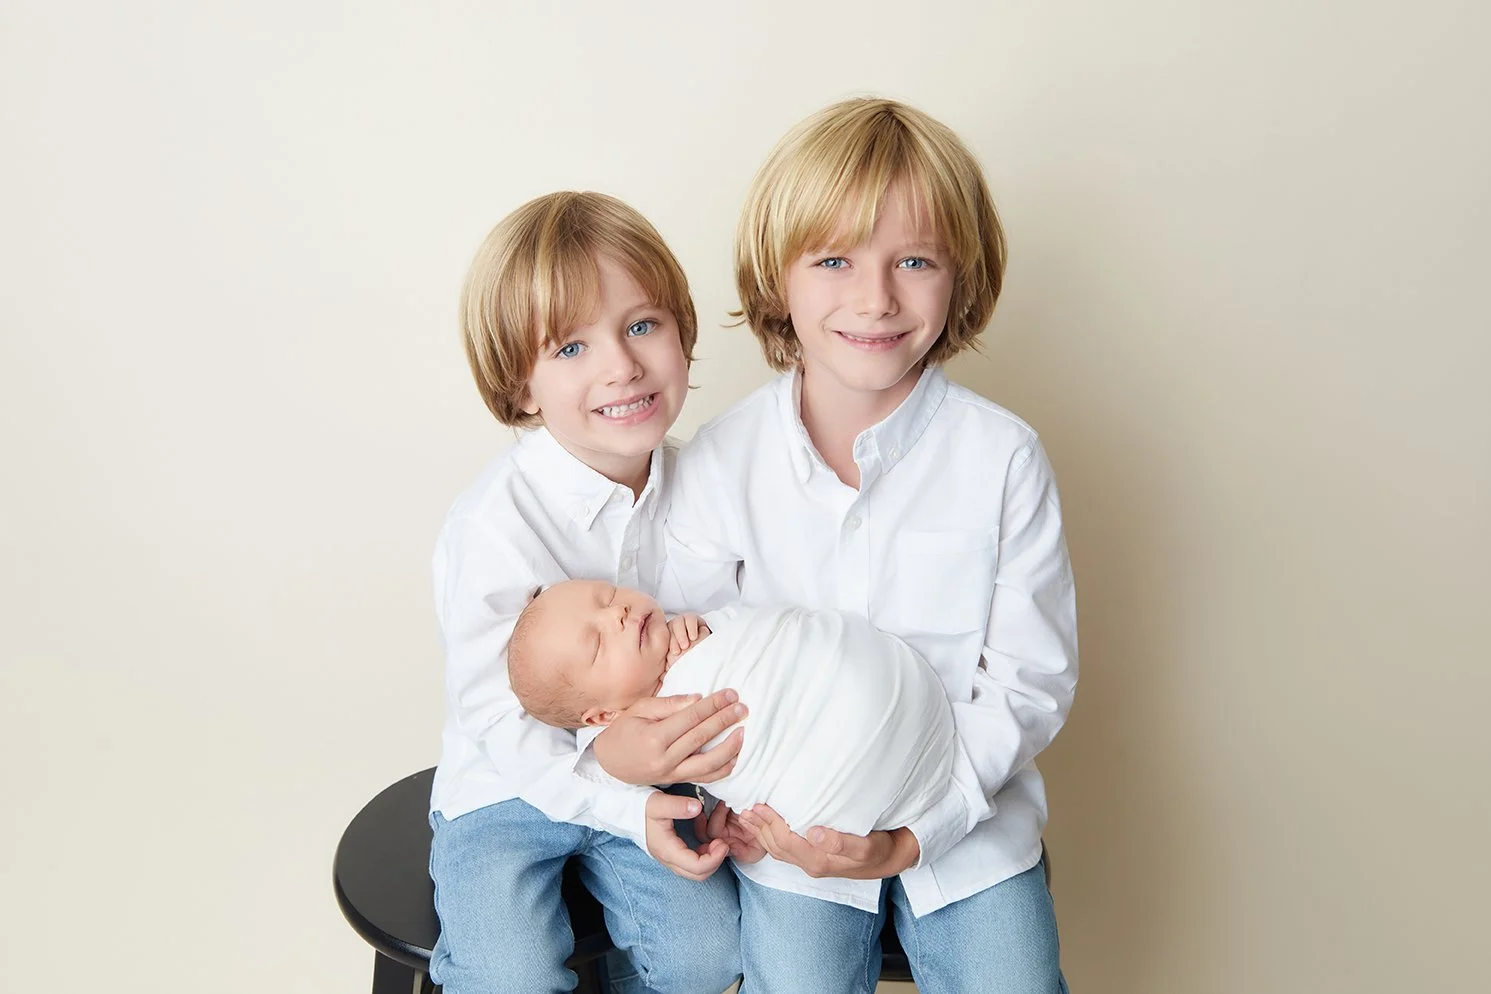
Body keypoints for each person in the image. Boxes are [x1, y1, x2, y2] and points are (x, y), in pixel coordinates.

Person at [642, 98, 1080, 992]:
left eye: (913, 261)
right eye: (833, 260)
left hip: (967, 821)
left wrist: (918, 831)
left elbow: (1029, 680)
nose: (874, 298)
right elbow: (677, 653)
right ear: (778, 280)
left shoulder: (1001, 458)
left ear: (961, 276)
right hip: (782, 821)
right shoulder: (723, 460)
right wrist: (714, 794)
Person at [427, 191, 744, 994]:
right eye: (570, 348)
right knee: (512, 976)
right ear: (520, 385)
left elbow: (738, 632)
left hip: (657, 776)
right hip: (507, 784)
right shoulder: (492, 527)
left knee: (708, 958)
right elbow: (497, 714)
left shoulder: (710, 489)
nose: (621, 366)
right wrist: (612, 788)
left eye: (642, 326)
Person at [507, 578, 958, 851]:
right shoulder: (645, 745)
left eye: (606, 596)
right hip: (845, 786)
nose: (617, 614)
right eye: (598, 644)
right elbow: (738, 768)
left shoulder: (707, 625)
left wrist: (713, 628)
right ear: (604, 715)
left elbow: (776, 628)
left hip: (904, 695)